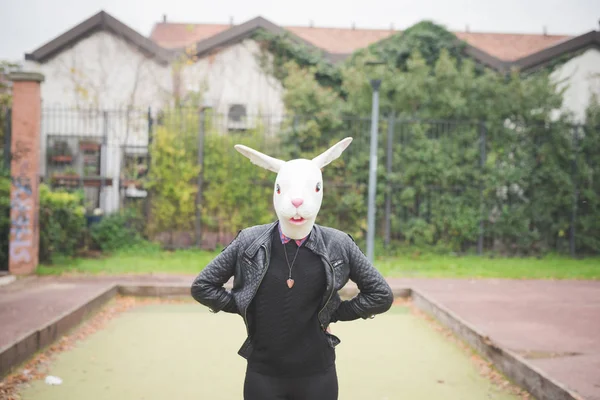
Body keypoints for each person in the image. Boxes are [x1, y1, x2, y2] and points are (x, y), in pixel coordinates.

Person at [191, 137, 394, 400]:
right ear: (277, 191)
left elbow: (380, 295)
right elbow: (203, 286)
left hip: (317, 374)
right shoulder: (249, 241)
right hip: (263, 374)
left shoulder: (338, 243)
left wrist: (334, 313)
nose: (297, 201)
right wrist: (244, 304)